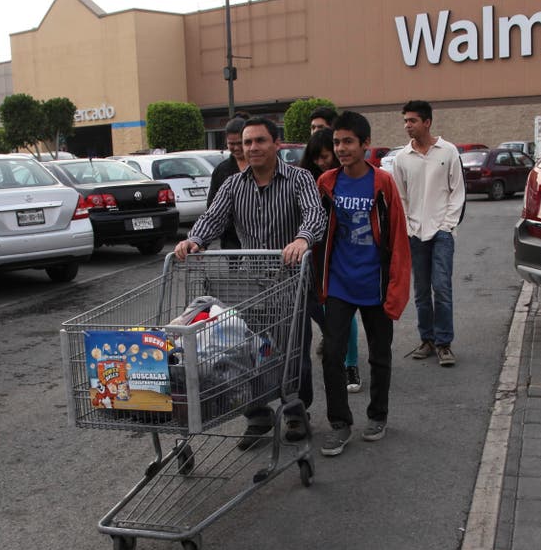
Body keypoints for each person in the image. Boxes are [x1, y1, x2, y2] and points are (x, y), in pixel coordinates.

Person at [174, 117, 327, 448]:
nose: (253, 148)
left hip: (291, 280)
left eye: (260, 141)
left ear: (276, 144)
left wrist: (302, 239)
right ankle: (256, 414)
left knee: (291, 351)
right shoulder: (233, 185)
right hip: (249, 283)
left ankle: (295, 411)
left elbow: (315, 214)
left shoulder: (299, 179)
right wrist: (194, 240)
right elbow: (212, 218)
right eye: (247, 143)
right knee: (245, 349)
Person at [313, 111, 410, 456]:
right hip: (339, 284)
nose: (341, 148)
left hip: (376, 286)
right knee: (332, 356)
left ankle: (378, 415)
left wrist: (397, 290)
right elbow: (316, 230)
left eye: (348, 142)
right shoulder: (327, 182)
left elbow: (398, 238)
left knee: (379, 356)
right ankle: (340, 423)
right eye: (337, 142)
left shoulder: (382, 183)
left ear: (365, 144)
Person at [389, 100, 465, 367]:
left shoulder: (448, 151)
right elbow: (400, 197)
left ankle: (444, 344)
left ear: (427, 122)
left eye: (412, 121)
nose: (407, 126)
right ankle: (427, 340)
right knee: (421, 291)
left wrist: (447, 225)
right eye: (405, 121)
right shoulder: (401, 158)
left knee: (441, 288)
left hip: (442, 232)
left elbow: (457, 191)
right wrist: (410, 227)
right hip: (415, 234)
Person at [299, 129, 362, 393]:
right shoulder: (305, 180)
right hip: (314, 255)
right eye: (316, 158)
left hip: (341, 255)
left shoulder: (344, 180)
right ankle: (334, 347)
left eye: (325, 156)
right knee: (320, 310)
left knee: (344, 312)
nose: (322, 162)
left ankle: (351, 364)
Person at [205, 116, 247, 249]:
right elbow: (212, 208)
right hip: (231, 240)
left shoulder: (261, 166)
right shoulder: (221, 170)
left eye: (240, 143)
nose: (236, 147)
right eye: (231, 144)